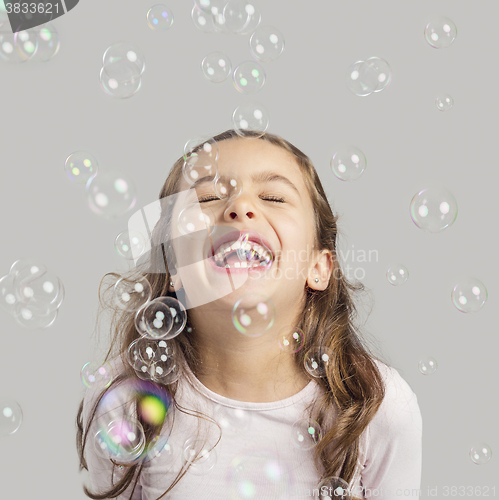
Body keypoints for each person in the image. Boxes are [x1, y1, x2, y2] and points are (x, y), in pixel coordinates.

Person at [76, 129, 422, 500]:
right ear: (173, 265)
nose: (239, 208)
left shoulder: (376, 404)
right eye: (207, 197)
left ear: (318, 267)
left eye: (273, 197)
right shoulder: (124, 400)